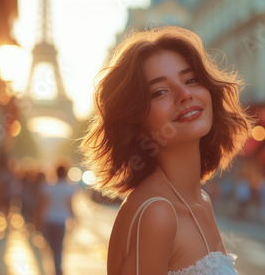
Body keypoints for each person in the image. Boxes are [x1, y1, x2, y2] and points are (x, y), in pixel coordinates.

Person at [81, 26, 254, 275]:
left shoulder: (201, 201)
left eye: (191, 79)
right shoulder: (156, 213)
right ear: (136, 123)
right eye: (160, 91)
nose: (184, 94)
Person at [41, 165, 79, 275]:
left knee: (52, 247)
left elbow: (43, 205)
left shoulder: (48, 187)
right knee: (58, 247)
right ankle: (58, 269)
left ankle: (55, 268)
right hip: (61, 222)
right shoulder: (68, 188)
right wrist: (74, 220)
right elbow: (70, 206)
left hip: (49, 220)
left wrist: (39, 221)